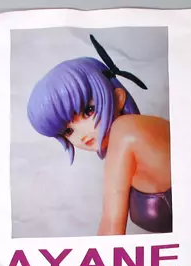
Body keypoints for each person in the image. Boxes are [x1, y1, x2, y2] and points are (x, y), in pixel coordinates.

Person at [27, 35, 172, 235]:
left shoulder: (126, 131)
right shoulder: (128, 146)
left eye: (88, 111)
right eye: (68, 131)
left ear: (118, 98)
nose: (82, 134)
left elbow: (111, 226)